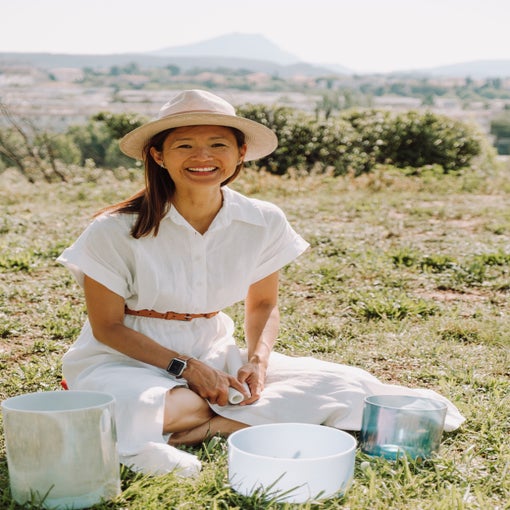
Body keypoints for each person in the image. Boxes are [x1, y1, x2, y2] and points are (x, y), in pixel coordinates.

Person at [57, 89, 465, 476]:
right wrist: (186, 368)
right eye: (184, 145)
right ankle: (210, 419)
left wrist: (257, 362)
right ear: (158, 155)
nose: (203, 156)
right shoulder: (113, 230)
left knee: (343, 386)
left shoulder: (263, 220)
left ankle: (205, 427)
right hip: (125, 357)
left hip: (212, 347)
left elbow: (263, 305)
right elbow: (107, 327)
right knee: (152, 404)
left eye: (218, 144)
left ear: (240, 153)